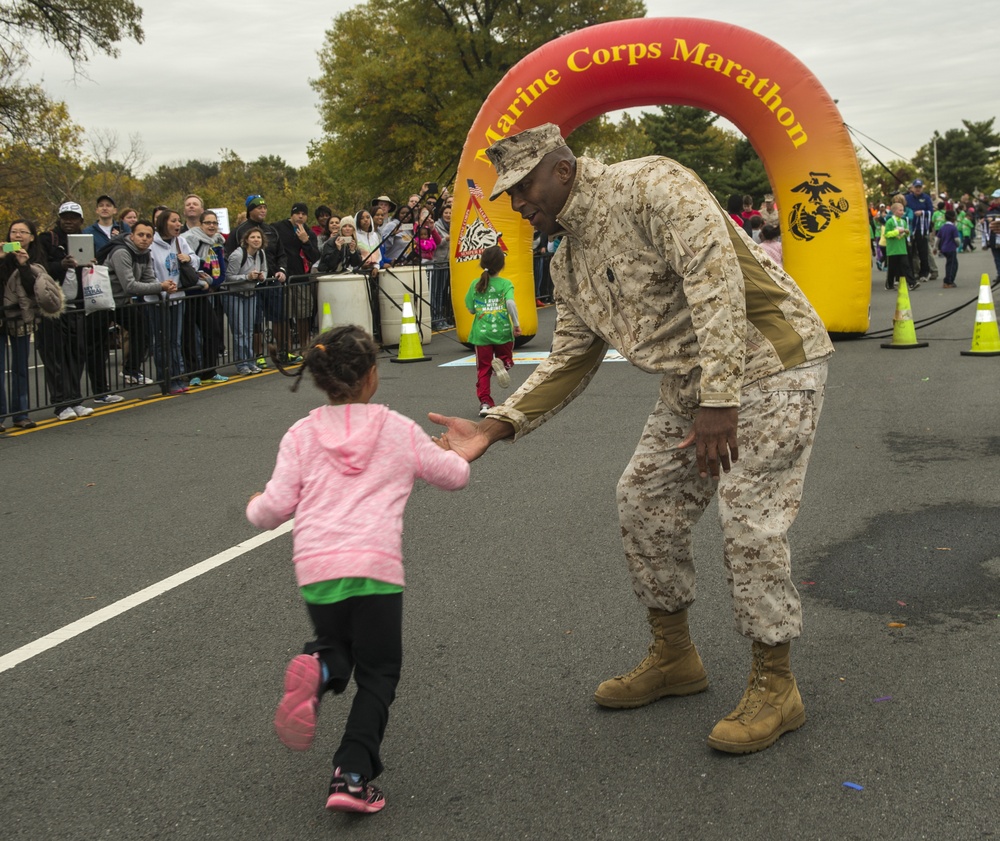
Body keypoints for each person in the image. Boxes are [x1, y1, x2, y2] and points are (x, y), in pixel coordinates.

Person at [430, 123, 834, 755]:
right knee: (642, 501)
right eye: (507, 193)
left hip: (769, 363)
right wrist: (496, 423)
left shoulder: (652, 184)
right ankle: (675, 658)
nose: (515, 203)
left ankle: (777, 685)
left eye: (522, 187)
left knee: (749, 520)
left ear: (561, 170)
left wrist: (721, 399)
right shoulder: (566, 258)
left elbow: (716, 284)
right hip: (692, 385)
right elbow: (570, 356)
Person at [246, 325, 470, 814]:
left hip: (317, 569)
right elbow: (454, 476)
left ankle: (322, 666)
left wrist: (255, 505)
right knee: (379, 672)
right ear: (372, 376)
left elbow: (274, 508)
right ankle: (351, 774)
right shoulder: (396, 429)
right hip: (375, 568)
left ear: (322, 379)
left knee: (338, 645)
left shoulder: (301, 434)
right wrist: (452, 450)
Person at [2, 219, 64, 429]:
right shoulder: (2, 256)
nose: (17, 236)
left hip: (20, 319)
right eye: (13, 232)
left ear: (31, 237)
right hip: (1, 317)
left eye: (23, 232)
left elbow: (34, 290)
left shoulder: (37, 259)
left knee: (20, 367)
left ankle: (21, 414)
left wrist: (23, 265)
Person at [40, 201, 96, 420]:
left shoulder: (86, 240)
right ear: (59, 218)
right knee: (56, 357)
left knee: (76, 354)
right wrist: (60, 265)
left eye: (73, 217)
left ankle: (75, 399)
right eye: (65, 217)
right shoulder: (47, 239)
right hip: (54, 307)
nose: (69, 221)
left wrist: (90, 262)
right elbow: (40, 267)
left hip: (78, 306)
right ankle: (61, 404)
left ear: (81, 220)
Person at [105, 219, 172, 385]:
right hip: (105, 302)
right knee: (97, 344)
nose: (144, 238)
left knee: (142, 330)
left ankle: (131, 370)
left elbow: (149, 278)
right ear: (132, 236)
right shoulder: (122, 252)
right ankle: (100, 389)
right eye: (140, 234)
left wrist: (164, 285)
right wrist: (160, 286)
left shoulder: (145, 253)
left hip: (121, 302)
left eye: (148, 236)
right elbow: (129, 285)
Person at [149, 209, 207, 394]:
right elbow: (147, 271)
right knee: (162, 342)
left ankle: (177, 376)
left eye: (178, 221)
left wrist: (188, 257)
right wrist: (161, 286)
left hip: (178, 297)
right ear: (163, 222)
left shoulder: (180, 241)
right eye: (173, 221)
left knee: (175, 340)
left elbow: (197, 261)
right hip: (158, 299)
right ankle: (165, 379)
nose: (177, 224)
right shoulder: (152, 244)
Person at [464, 245, 520, 416]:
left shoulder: (475, 284)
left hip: (482, 333)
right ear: (502, 264)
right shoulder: (506, 283)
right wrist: (516, 324)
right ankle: (503, 365)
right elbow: (510, 303)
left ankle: (485, 403)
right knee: (507, 359)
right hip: (502, 331)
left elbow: (471, 308)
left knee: (483, 369)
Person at [182, 210, 229, 384]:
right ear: (200, 225)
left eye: (214, 223)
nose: (211, 226)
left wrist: (213, 282)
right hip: (188, 293)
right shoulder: (189, 239)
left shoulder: (217, 242)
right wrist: (201, 279)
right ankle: (193, 373)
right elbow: (188, 266)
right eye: (207, 223)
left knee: (213, 330)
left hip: (204, 294)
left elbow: (220, 269)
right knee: (188, 335)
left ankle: (209, 371)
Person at [272, 202, 320, 359]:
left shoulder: (309, 233)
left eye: (304, 214)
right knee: (283, 315)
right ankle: (285, 349)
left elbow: (315, 257)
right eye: (297, 213)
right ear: (291, 214)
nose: (300, 216)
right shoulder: (278, 227)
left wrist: (305, 241)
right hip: (283, 278)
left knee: (303, 314)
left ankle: (305, 346)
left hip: (301, 278)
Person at [223, 227, 267, 375]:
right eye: (253, 237)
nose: (256, 240)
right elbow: (229, 277)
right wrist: (247, 277)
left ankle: (250, 361)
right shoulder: (237, 255)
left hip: (251, 294)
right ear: (246, 240)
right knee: (239, 331)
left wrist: (262, 277)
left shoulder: (261, 253)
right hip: (234, 295)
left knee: (249, 330)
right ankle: (241, 364)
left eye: (259, 237)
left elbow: (265, 270)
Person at [904, 179, 935, 282]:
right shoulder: (907, 198)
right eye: (916, 187)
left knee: (923, 252)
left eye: (919, 187)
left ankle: (924, 273)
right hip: (910, 229)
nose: (918, 189)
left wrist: (922, 212)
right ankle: (912, 273)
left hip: (922, 229)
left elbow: (931, 211)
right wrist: (912, 214)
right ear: (912, 188)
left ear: (922, 188)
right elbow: (904, 210)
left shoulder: (926, 198)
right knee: (911, 252)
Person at [883, 201, 912, 291]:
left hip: (902, 249)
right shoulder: (890, 222)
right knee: (892, 268)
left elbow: (906, 235)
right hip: (893, 250)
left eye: (903, 210)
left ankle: (912, 283)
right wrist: (897, 232)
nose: (902, 212)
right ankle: (889, 284)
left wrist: (907, 232)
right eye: (900, 210)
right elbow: (886, 234)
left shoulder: (903, 221)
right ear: (894, 211)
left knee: (906, 265)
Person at [936, 209, 960, 288]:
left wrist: (935, 248)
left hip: (944, 248)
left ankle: (948, 280)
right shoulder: (953, 228)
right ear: (953, 218)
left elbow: (938, 239)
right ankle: (948, 281)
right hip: (951, 248)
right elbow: (956, 239)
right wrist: (958, 245)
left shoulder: (943, 227)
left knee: (951, 264)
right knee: (952, 265)